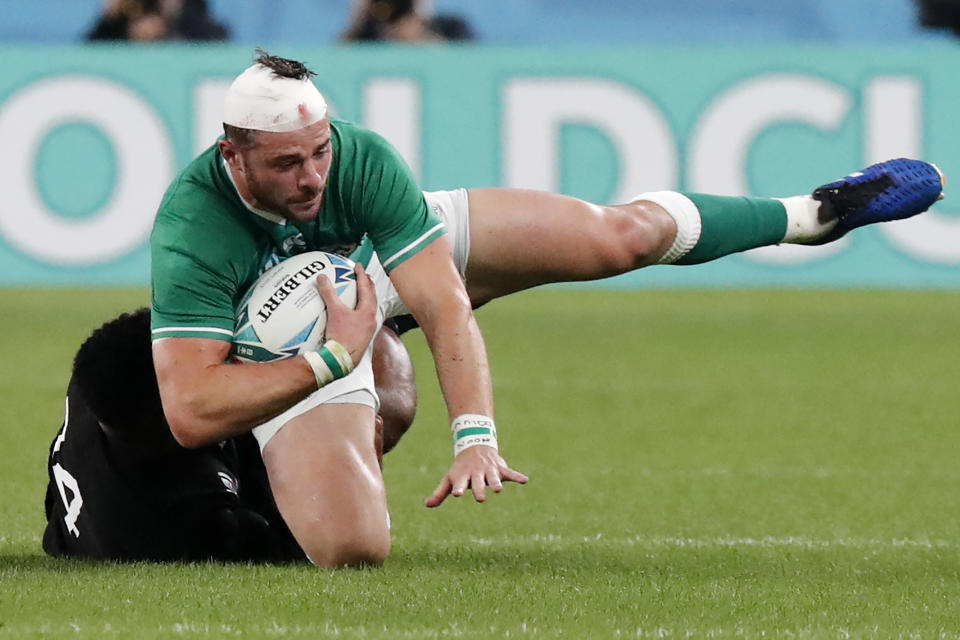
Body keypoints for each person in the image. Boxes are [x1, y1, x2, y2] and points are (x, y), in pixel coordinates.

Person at [150, 50, 945, 568]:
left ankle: (811, 213)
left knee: (618, 236)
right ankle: (298, 445)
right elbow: (188, 409)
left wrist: (475, 437)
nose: (313, 178)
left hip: (367, 279)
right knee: (355, 549)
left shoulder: (359, 161)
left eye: (320, 151)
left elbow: (445, 302)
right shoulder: (192, 230)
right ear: (233, 155)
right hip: (287, 334)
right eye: (287, 164)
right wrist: (327, 358)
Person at [43, 308, 416, 562]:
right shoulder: (190, 518)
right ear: (170, 424)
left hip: (88, 515)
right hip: (155, 516)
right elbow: (303, 542)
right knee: (385, 411)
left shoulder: (104, 383)